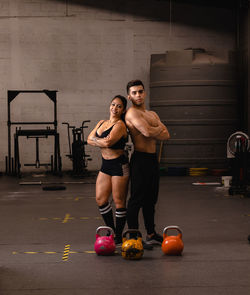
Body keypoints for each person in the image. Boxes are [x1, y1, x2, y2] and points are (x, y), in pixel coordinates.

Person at [125, 79, 170, 248]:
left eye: (140, 91)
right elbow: (146, 131)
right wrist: (157, 129)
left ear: (145, 93)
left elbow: (167, 135)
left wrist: (154, 130)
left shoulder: (152, 114)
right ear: (129, 96)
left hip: (152, 160)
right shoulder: (132, 114)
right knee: (136, 199)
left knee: (151, 199)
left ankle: (151, 234)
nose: (138, 95)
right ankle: (134, 237)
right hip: (140, 159)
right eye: (134, 92)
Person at [87, 95, 129, 245]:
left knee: (118, 201)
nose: (115, 108)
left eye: (119, 106)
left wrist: (96, 140)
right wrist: (101, 141)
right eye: (113, 105)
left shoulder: (120, 125)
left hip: (119, 165)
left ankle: (118, 235)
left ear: (123, 110)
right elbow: (88, 139)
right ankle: (111, 230)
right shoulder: (101, 123)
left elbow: (109, 141)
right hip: (105, 165)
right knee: (101, 199)